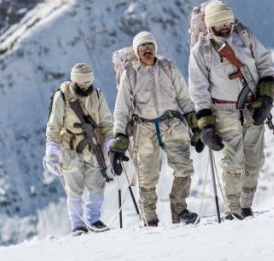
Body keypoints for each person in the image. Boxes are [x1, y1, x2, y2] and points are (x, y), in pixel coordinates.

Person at [188, 0, 274, 219]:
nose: (225, 26)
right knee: (233, 162)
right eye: (220, 23)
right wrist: (205, 124)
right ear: (210, 25)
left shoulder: (244, 37)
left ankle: (246, 206)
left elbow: (264, 63)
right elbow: (198, 88)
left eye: (228, 22)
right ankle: (233, 209)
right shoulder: (202, 50)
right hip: (224, 112)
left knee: (253, 161)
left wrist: (266, 97)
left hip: (253, 106)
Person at [108, 31, 199, 226]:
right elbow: (122, 109)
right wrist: (120, 136)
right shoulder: (130, 74)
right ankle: (149, 217)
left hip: (172, 123)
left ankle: (180, 210)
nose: (147, 50)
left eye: (150, 46)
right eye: (143, 47)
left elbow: (184, 96)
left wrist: (195, 124)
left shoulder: (167, 67)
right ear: (136, 50)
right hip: (144, 127)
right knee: (147, 175)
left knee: (184, 167)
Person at [44, 62, 114, 235]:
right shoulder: (62, 97)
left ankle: (94, 220)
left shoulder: (97, 95)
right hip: (70, 148)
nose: (85, 86)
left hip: (94, 146)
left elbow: (106, 121)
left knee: (97, 185)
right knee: (74, 188)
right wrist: (52, 149)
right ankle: (78, 224)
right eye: (82, 83)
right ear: (74, 81)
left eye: (88, 83)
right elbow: (54, 125)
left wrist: (111, 142)